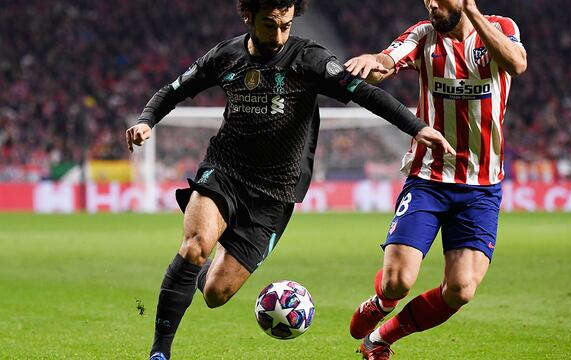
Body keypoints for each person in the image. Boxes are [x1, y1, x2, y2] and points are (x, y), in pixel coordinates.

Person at [125, 1, 455, 359]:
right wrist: (146, 120)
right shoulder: (225, 56)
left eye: (286, 25)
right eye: (270, 25)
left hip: (276, 193)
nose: (279, 35)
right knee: (194, 246)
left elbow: (364, 93)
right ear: (248, 16)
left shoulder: (308, 59)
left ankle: (200, 266)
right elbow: (174, 89)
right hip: (224, 171)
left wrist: (417, 126)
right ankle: (160, 351)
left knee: (216, 293)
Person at [343, 0, 527, 358]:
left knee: (461, 290)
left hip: (481, 188)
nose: (431, 3)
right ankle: (382, 301)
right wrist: (373, 63)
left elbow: (517, 64)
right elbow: (387, 62)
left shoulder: (501, 28)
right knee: (398, 282)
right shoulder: (424, 35)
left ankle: (380, 340)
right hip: (429, 178)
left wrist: (473, 15)